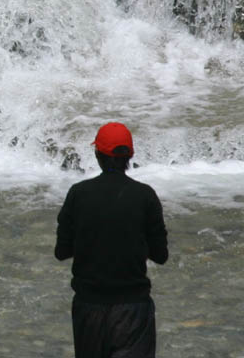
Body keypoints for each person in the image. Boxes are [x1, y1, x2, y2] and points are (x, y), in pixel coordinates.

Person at [55, 122, 169, 358]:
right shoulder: (145, 195)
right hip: (132, 309)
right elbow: (161, 255)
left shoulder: (78, 193)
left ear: (97, 154)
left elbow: (61, 251)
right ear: (130, 156)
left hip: (89, 308)